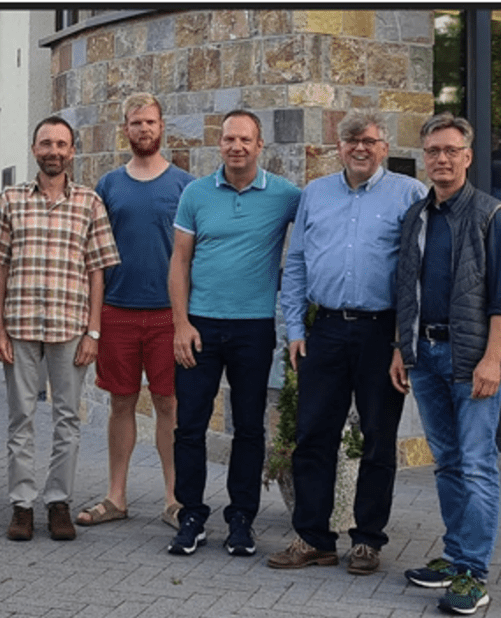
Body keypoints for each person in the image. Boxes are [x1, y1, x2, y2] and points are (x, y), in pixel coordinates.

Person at [269, 110, 426, 575]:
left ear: (384, 148)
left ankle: (367, 541)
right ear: (338, 147)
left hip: (382, 332)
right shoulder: (315, 194)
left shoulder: (409, 194)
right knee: (313, 435)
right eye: (351, 140)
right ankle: (314, 538)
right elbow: (296, 264)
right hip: (327, 329)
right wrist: (295, 330)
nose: (360, 148)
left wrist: (402, 343)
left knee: (378, 438)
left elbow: (417, 274)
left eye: (370, 141)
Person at [168, 110, 300, 557]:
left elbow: (318, 227)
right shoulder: (196, 193)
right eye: (229, 139)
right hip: (199, 326)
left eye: (245, 139)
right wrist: (180, 324)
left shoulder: (284, 195)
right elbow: (179, 261)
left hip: (253, 328)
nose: (236, 146)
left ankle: (242, 518)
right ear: (219, 143)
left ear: (260, 145)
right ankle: (190, 515)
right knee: (189, 426)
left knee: (249, 427)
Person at [0, 116, 120, 542]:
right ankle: (22, 505)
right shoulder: (10, 199)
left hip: (70, 325)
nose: (53, 151)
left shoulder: (90, 203)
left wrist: (94, 331)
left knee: (67, 418)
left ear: (72, 151)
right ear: (34, 149)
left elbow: (98, 270)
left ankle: (59, 501)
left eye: (61, 144)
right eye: (46, 143)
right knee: (20, 418)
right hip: (20, 324)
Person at [391, 112, 501, 615]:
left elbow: (499, 297)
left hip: (473, 358)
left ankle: (474, 575)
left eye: (451, 151)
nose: (441, 159)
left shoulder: (489, 214)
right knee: (449, 463)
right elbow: (405, 287)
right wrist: (402, 347)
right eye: (433, 151)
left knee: (477, 465)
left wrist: (494, 358)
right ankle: (456, 558)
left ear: (468, 157)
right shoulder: (417, 215)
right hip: (426, 356)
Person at [76, 93, 193, 529]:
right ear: (124, 129)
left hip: (168, 316)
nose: (143, 129)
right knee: (121, 402)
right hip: (118, 311)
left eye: (150, 122)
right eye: (136, 122)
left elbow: (193, 255)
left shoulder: (185, 186)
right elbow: (93, 256)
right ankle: (116, 496)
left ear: (162, 127)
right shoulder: (108, 186)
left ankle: (174, 499)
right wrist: (93, 320)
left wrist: (186, 319)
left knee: (168, 404)